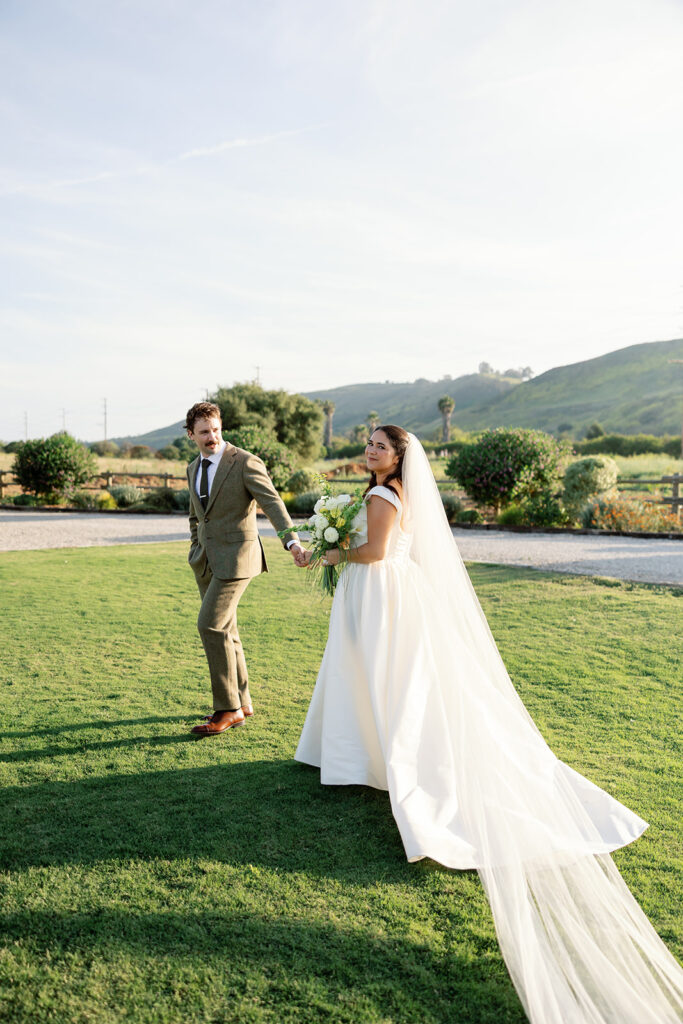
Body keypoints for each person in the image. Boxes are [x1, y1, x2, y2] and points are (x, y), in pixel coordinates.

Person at [295, 425, 683, 1024]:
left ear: (399, 457)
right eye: (369, 443)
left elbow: (373, 554)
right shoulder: (389, 494)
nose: (371, 450)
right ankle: (364, 755)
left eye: (381, 445)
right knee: (383, 681)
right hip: (390, 595)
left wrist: (332, 552)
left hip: (377, 592)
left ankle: (372, 758)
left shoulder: (380, 497)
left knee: (375, 678)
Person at [184, 402, 303, 736]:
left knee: (210, 626)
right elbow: (197, 515)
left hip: (238, 559)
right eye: (204, 432)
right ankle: (243, 701)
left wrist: (292, 542)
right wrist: (196, 546)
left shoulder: (244, 461)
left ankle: (227, 708)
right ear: (191, 434)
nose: (212, 437)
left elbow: (272, 503)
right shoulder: (193, 468)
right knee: (227, 631)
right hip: (206, 561)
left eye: (216, 430)